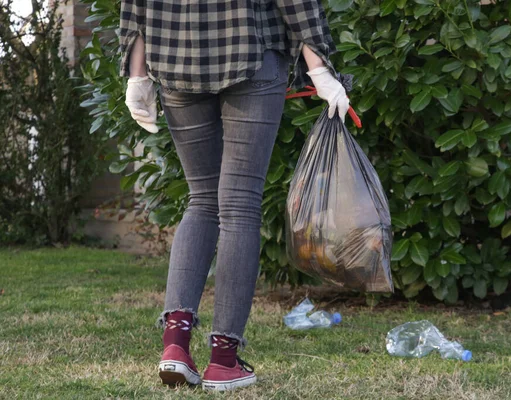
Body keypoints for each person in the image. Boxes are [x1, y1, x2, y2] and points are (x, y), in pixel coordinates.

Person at [119, 0, 350, 391]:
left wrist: (137, 76)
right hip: (251, 56)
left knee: (203, 199)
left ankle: (175, 346)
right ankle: (223, 362)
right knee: (239, 205)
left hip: (176, 63)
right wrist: (320, 69)